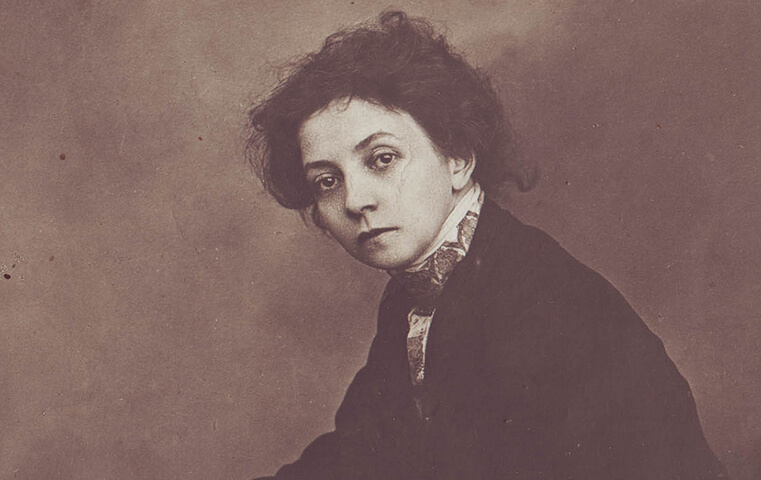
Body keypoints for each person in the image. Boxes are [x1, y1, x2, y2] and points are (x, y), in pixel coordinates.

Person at [245, 10, 727, 480]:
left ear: (457, 157)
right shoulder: (417, 293)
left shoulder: (540, 300)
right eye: (327, 181)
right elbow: (362, 449)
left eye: (382, 159)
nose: (355, 200)